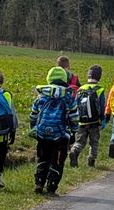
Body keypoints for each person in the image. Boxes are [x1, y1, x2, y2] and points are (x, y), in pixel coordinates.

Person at [30, 66, 79, 196]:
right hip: (61, 136)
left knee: (42, 158)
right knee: (58, 161)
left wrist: (34, 128)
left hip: (42, 134)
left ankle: (39, 183)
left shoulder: (41, 96)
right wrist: (74, 132)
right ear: (64, 79)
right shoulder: (68, 97)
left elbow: (33, 115)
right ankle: (51, 188)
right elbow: (74, 117)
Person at [69, 65, 106, 168]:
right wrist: (103, 119)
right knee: (94, 142)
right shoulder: (99, 89)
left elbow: (75, 104)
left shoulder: (81, 89)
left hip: (81, 121)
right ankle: (91, 161)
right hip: (95, 122)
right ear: (99, 77)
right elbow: (102, 106)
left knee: (80, 141)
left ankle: (74, 151)